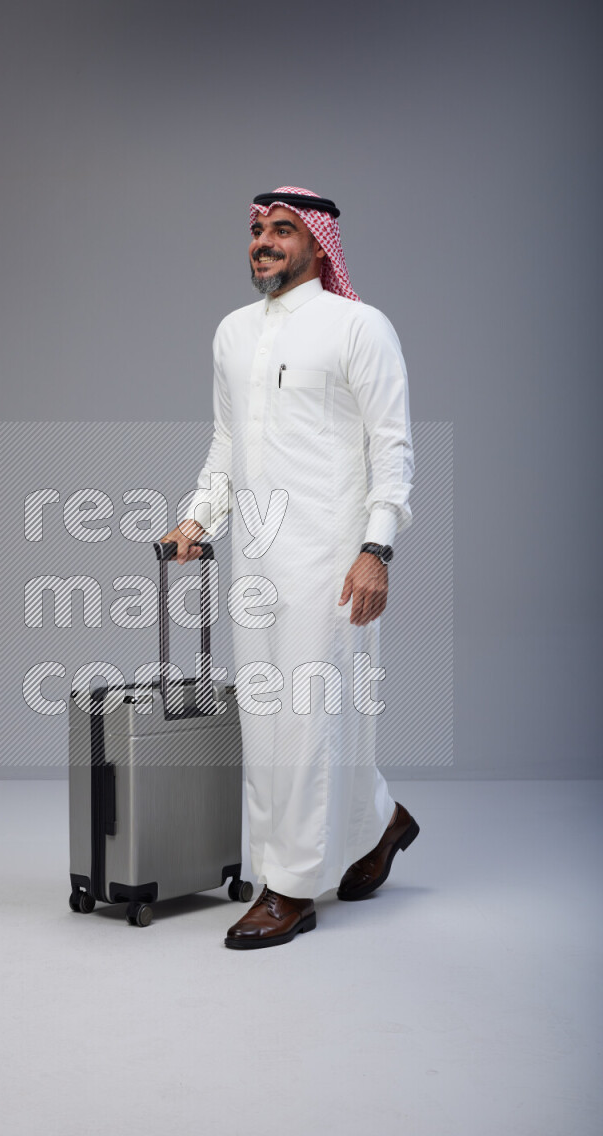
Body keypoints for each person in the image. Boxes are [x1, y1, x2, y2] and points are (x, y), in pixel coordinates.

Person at [161, 186, 418, 950]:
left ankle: (290, 889)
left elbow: (392, 447)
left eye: (281, 229)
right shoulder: (233, 333)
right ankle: (380, 821)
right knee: (269, 719)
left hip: (331, 557)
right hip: (257, 560)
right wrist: (199, 518)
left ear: (317, 242)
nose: (264, 242)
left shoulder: (359, 327)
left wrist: (376, 548)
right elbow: (227, 443)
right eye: (256, 230)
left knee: (307, 721)